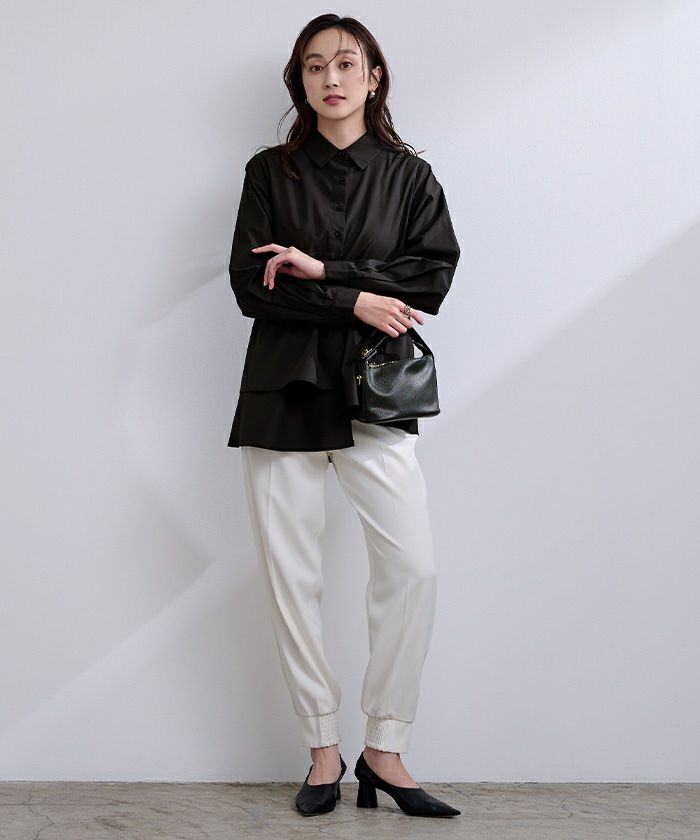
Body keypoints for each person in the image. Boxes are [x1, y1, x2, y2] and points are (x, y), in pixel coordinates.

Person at [226, 14, 462, 818]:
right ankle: (322, 750)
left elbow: (429, 280)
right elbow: (250, 288)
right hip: (283, 390)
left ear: (373, 76)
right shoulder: (269, 172)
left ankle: (384, 748)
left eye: (346, 63)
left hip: (375, 394)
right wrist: (357, 299)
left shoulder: (410, 178)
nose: (331, 77)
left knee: (414, 567)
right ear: (299, 81)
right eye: (314, 65)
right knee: (291, 576)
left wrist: (325, 272)